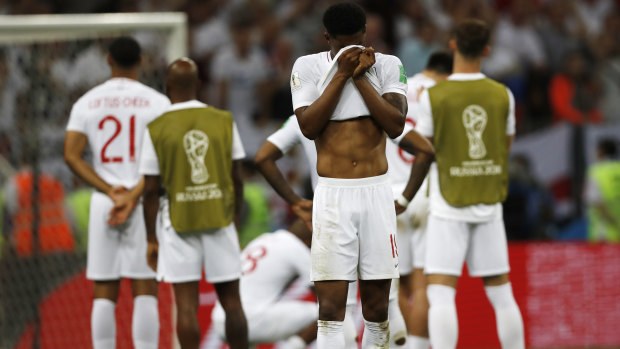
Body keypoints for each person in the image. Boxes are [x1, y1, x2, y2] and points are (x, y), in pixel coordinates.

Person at [290, 3, 411, 347]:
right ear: (326, 37)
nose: (351, 51)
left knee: (376, 308)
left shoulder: (388, 65)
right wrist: (342, 73)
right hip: (332, 196)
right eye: (342, 44)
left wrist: (360, 79)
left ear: (366, 35)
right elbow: (309, 126)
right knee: (329, 309)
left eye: (356, 43)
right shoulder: (308, 66)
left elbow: (395, 124)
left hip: (376, 193)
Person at [415, 19, 525, 349]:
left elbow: (425, 148)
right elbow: (505, 144)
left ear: (452, 45)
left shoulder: (434, 95)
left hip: (448, 202)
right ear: (487, 51)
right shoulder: (502, 93)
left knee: (440, 292)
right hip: (489, 201)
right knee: (501, 293)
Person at [63, 37, 169, 349]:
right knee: (145, 284)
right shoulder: (157, 102)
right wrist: (134, 193)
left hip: (105, 202)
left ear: (108, 60)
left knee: (104, 287)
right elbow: (165, 156)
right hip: (144, 200)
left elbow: (71, 154)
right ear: (140, 62)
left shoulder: (87, 101)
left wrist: (112, 191)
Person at [138, 57, 248, 349]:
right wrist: (235, 218)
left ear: (167, 86)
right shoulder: (223, 120)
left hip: (177, 220)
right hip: (219, 218)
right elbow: (237, 178)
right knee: (233, 303)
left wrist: (150, 237)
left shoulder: (157, 127)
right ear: (199, 84)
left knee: (186, 306)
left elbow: (150, 190)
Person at [389, 51, 452, 349]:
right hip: (425, 192)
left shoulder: (395, 88)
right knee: (423, 283)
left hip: (389, 195)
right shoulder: (444, 94)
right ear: (446, 73)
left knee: (391, 284)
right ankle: (416, 346)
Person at [211, 218, 317, 348]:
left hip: (223, 320)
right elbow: (325, 300)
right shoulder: (297, 247)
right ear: (311, 240)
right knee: (325, 313)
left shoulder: (264, 238)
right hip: (250, 320)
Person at [585, 138, 620, 243]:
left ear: (601, 151)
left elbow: (596, 202)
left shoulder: (596, 171)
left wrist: (614, 222)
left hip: (603, 235)